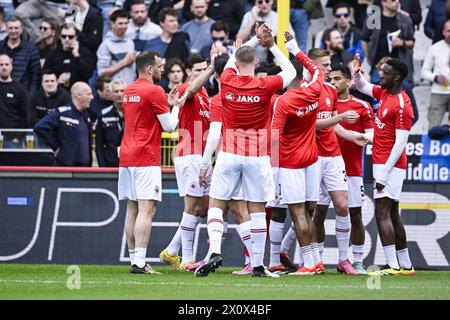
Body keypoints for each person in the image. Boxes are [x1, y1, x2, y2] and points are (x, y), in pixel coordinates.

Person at [194, 23, 296, 278]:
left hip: (228, 153)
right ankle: (259, 265)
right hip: (257, 155)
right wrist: (270, 43)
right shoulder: (266, 86)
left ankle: (215, 249)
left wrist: (250, 41)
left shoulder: (227, 81)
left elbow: (229, 61)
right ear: (257, 65)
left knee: (217, 204)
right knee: (257, 208)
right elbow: (291, 70)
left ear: (237, 64)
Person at [118, 50, 185, 274]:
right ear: (149, 69)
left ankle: (133, 260)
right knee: (147, 209)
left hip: (126, 156)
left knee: (132, 209)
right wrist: (176, 105)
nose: (161, 69)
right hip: (145, 156)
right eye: (159, 66)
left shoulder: (129, 90)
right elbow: (169, 126)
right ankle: (139, 263)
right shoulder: (154, 90)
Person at [353, 53, 416, 276]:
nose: (381, 76)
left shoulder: (402, 105)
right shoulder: (385, 91)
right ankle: (406, 265)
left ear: (397, 77)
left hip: (389, 164)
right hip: (384, 162)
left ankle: (392, 265)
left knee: (382, 213)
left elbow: (400, 143)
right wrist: (356, 73)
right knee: (393, 213)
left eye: (385, 73)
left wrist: (384, 174)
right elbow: (363, 86)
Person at [270, 31, 325, 276]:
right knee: (309, 211)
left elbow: (274, 138)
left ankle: (308, 263)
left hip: (292, 162)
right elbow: (318, 70)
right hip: (312, 158)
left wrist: (272, 173)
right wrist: (295, 47)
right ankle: (315, 260)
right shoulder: (314, 90)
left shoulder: (283, 102)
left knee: (298, 212)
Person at [160, 52, 216, 270]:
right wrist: (212, 67)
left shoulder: (205, 94)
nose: (202, 73)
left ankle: (173, 250)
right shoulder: (186, 89)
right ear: (189, 72)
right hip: (189, 154)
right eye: (198, 70)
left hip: (202, 157)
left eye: (205, 69)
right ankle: (187, 259)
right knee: (192, 207)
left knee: (204, 208)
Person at [329, 63, 375, 274]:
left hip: (353, 169)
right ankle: (316, 259)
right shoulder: (325, 104)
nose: (333, 82)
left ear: (348, 81)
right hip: (325, 166)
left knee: (355, 215)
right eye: (330, 78)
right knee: (317, 213)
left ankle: (357, 260)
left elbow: (373, 135)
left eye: (337, 78)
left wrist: (362, 138)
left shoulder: (362, 106)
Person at [33, 82, 94, 166]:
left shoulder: (86, 116)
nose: (92, 97)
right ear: (79, 95)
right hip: (67, 169)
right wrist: (55, 146)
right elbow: (40, 127)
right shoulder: (62, 113)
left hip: (84, 169)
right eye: (89, 94)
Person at [360, 0, 415, 85]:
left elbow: (412, 42)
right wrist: (369, 58)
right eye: (393, 0)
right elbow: (364, 39)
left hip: (399, 69)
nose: (397, 2)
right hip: (378, 67)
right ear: (383, 2)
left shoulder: (405, 20)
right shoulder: (373, 18)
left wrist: (402, 43)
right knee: (377, 95)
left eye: (398, 0)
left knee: (403, 94)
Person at [43, 23, 95, 90]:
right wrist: (56, 81)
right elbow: (45, 74)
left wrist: (76, 55)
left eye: (70, 37)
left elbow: (88, 74)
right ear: (60, 37)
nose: (67, 39)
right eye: (64, 36)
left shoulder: (84, 52)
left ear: (76, 37)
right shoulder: (53, 54)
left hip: (79, 91)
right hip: (59, 91)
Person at [421, 19, 450, 130]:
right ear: (443, 32)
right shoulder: (435, 48)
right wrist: (436, 78)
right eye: (448, 31)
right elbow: (423, 72)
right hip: (438, 92)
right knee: (433, 127)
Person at [0, 16, 41, 94]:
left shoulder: (31, 49)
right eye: (11, 28)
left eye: (16, 28)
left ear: (22, 29)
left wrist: (30, 97)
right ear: (6, 29)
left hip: (22, 94)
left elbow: (35, 77)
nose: (13, 31)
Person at [97, 9, 136, 85]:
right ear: (112, 24)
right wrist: (124, 62)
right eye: (120, 23)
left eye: (126, 23)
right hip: (115, 91)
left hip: (131, 88)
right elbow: (102, 74)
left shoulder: (130, 42)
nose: (124, 26)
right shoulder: (105, 45)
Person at [95, 79, 125, 167]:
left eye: (122, 91)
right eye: (116, 91)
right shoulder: (103, 115)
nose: (119, 94)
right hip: (110, 165)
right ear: (111, 94)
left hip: (131, 166)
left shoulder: (134, 113)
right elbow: (99, 146)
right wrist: (102, 167)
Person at [0, 54, 28, 134]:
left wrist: (19, 136)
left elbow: (25, 115)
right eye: (1, 64)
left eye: (7, 64)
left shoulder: (21, 89)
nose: (4, 67)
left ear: (11, 67)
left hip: (13, 136)